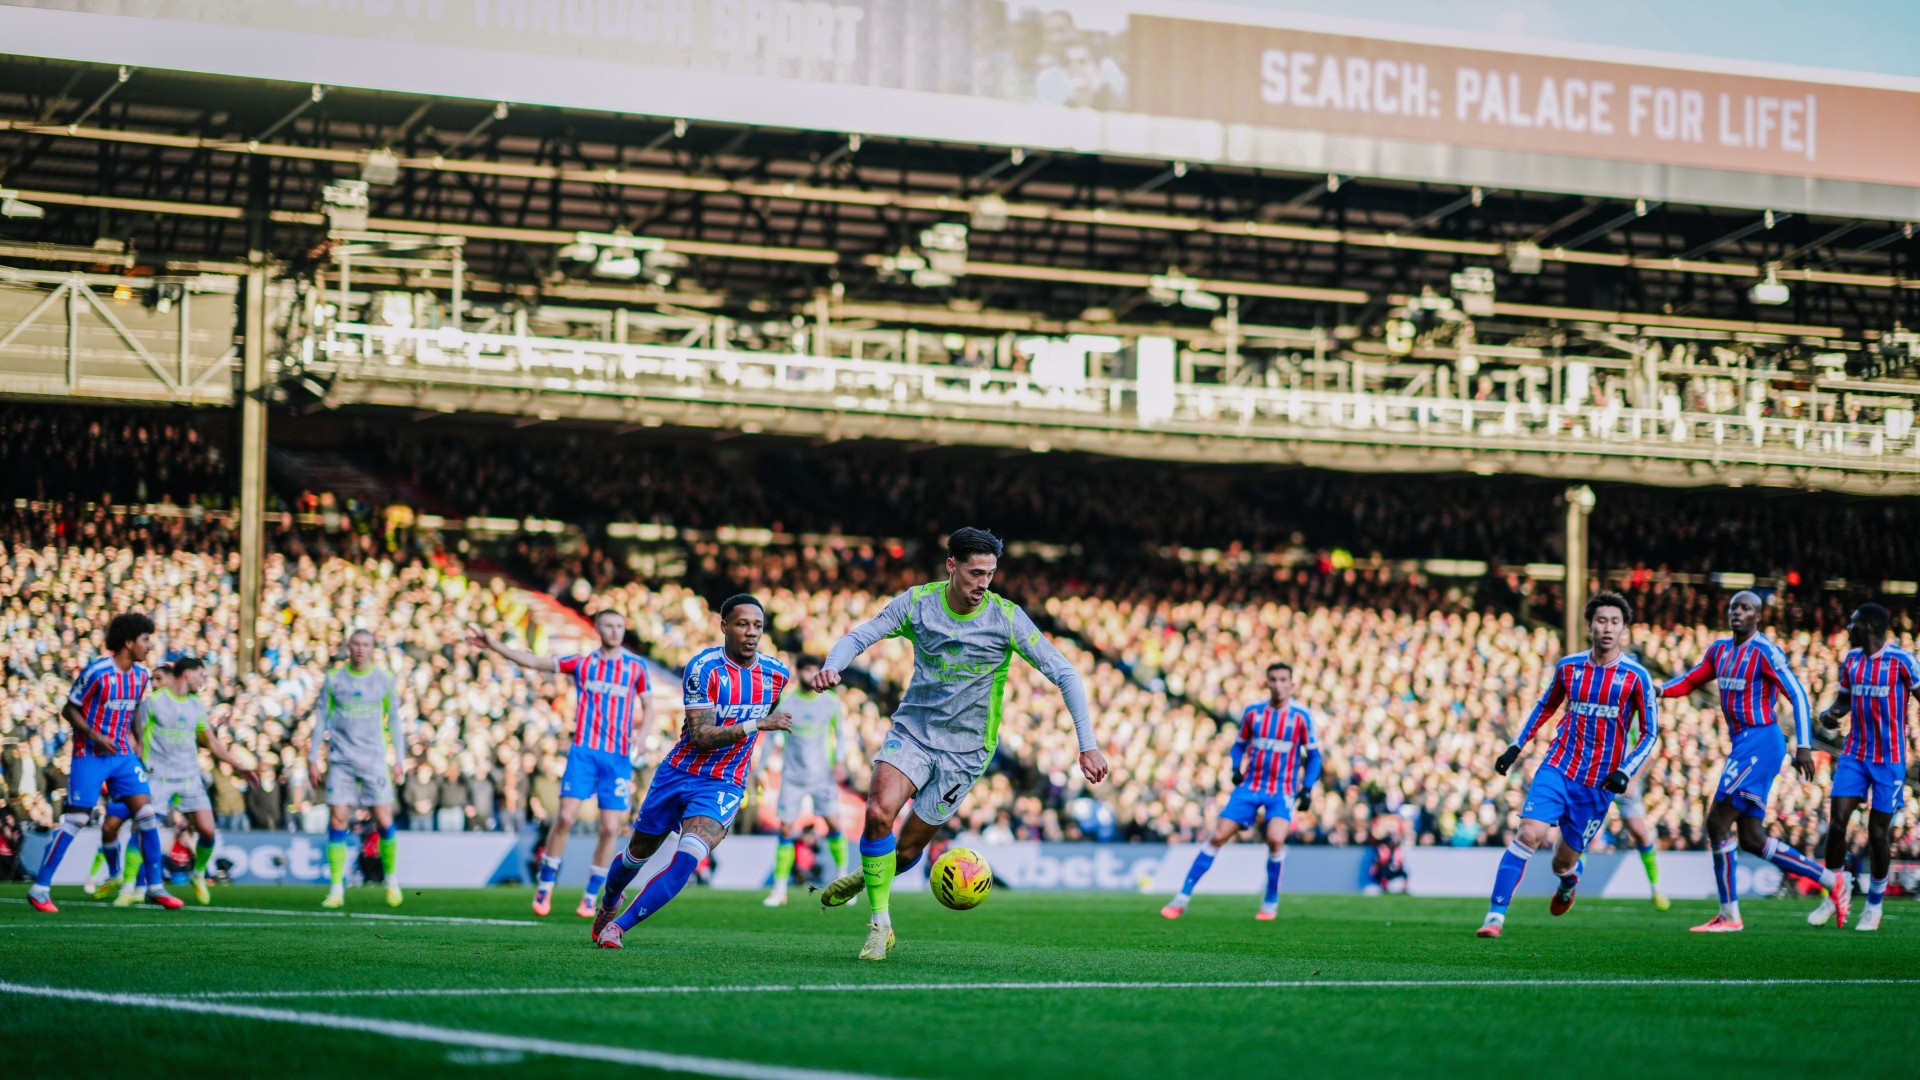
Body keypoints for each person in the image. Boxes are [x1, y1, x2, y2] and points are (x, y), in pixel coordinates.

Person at [812, 528, 1109, 961]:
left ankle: (865, 876)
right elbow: (860, 635)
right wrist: (832, 666)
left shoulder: (1005, 617)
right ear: (951, 566)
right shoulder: (918, 603)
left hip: (966, 753)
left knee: (907, 850)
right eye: (974, 573)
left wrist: (1088, 745)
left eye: (990, 574)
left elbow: (1064, 673)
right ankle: (880, 925)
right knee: (877, 814)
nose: (983, 583)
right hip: (913, 733)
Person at [593, 595, 791, 948]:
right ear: (724, 626)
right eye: (742, 624)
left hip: (724, 782)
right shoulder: (703, 669)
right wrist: (756, 724)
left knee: (686, 860)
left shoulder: (777, 674)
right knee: (637, 854)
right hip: (679, 773)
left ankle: (618, 928)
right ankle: (609, 902)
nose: (751, 632)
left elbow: (767, 714)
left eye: (757, 626)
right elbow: (701, 737)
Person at [1661, 590, 1846, 932]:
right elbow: (1689, 681)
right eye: (1734, 607)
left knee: (1717, 822)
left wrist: (1804, 745)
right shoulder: (1719, 651)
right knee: (1751, 838)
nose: (1738, 612)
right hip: (1743, 744)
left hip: (1761, 741)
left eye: (1746, 608)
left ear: (1758, 616)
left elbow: (1798, 695)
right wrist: (1658, 690)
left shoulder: (1765, 652)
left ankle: (1729, 915)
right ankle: (1831, 880)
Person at [1478, 591, 1658, 938]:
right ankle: (1495, 917)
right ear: (1589, 625)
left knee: (1562, 862)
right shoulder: (1569, 667)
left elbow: (1651, 733)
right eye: (1601, 621)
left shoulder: (1637, 676)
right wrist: (1515, 746)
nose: (1607, 628)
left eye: (1615, 622)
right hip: (1559, 766)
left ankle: (1568, 881)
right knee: (1529, 832)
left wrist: (1626, 770)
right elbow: (1545, 707)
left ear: (1624, 629)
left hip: (1598, 784)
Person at [468, 610, 654, 917]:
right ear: (598, 629)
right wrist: (494, 645)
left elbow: (649, 707)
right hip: (584, 752)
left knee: (610, 827)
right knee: (565, 817)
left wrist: (643, 736)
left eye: (619, 626)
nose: (615, 631)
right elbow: (534, 661)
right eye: (609, 625)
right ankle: (545, 886)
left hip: (618, 756)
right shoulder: (583, 663)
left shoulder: (636, 667)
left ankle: (591, 895)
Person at [27, 612, 183, 913]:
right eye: (145, 639)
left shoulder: (140, 676)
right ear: (129, 642)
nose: (149, 646)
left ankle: (154, 888)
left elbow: (134, 709)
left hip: (123, 755)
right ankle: (40, 887)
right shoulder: (97, 672)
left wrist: (138, 739)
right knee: (77, 820)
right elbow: (69, 709)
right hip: (90, 754)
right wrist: (94, 735)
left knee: (147, 814)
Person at [1161, 662, 1320, 921]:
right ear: (1266, 682)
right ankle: (1181, 898)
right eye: (1273, 679)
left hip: (1282, 789)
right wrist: (1236, 766)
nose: (1278, 685)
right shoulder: (1253, 713)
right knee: (1218, 836)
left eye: (1283, 680)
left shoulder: (1301, 717)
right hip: (1250, 786)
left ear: (1292, 684)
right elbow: (1239, 745)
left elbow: (1314, 756)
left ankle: (1270, 902)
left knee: (1275, 839)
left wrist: (1308, 789)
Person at [117, 657, 258, 905]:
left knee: (208, 831)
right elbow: (135, 735)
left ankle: (198, 873)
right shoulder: (154, 702)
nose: (202, 681)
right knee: (142, 828)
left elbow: (211, 741)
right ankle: (128, 888)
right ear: (187, 674)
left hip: (188, 776)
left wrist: (238, 765)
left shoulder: (196, 706)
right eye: (200, 675)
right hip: (157, 775)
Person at [1814, 603, 1919, 933]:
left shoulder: (1902, 661)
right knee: (1837, 823)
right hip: (1855, 754)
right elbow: (1843, 701)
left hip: (1889, 759)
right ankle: (1836, 892)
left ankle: (1874, 905)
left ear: (1869, 627)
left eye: (1853, 623)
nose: (1848, 628)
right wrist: (1830, 715)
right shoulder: (1852, 661)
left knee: (1877, 834)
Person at [306, 629, 406, 909]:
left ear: (373, 648)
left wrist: (400, 757)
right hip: (341, 759)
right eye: (356, 644)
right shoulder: (334, 678)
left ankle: (391, 881)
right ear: (348, 647)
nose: (361, 649)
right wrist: (313, 757)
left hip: (374, 759)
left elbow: (394, 719)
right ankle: (336, 888)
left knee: (383, 820)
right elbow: (321, 718)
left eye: (366, 644)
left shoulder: (384, 679)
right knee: (338, 820)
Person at [762, 653, 851, 907]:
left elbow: (841, 735)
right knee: (785, 829)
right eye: (805, 670)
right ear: (798, 671)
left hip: (822, 776)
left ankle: (845, 882)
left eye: (814, 670)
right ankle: (779, 890)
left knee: (834, 824)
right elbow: (771, 737)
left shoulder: (830, 702)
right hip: (792, 776)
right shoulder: (787, 702)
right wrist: (760, 768)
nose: (810, 675)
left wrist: (840, 761)